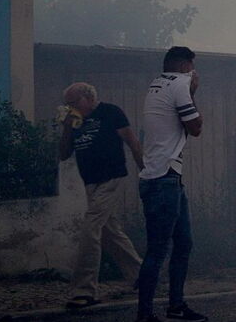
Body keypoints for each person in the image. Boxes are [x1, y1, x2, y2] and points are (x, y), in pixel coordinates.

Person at [136, 47, 208, 322]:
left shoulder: (156, 84)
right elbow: (196, 128)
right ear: (182, 64)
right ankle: (145, 315)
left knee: (183, 243)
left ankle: (176, 306)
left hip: (164, 177)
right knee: (159, 250)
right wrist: (192, 91)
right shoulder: (180, 84)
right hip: (164, 178)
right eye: (191, 66)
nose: (193, 72)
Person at [58, 82, 143, 310]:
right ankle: (142, 276)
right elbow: (64, 154)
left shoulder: (110, 112)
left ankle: (83, 291)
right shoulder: (75, 122)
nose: (71, 107)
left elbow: (133, 142)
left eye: (73, 102)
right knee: (109, 232)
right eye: (67, 104)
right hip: (90, 182)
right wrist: (67, 127)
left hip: (111, 178)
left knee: (90, 228)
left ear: (88, 97)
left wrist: (145, 171)